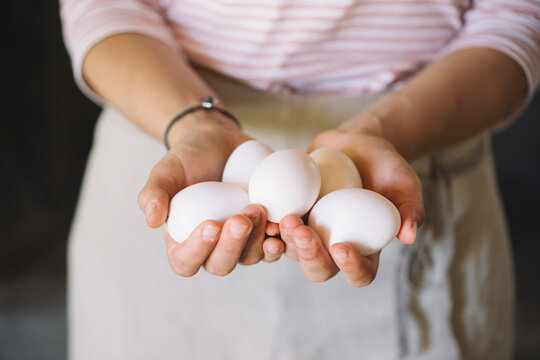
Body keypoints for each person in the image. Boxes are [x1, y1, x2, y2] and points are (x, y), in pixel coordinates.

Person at [60, 1, 539, 359]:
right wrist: (192, 123)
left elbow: (518, 17)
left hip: (407, 146)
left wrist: (381, 130)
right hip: (172, 137)